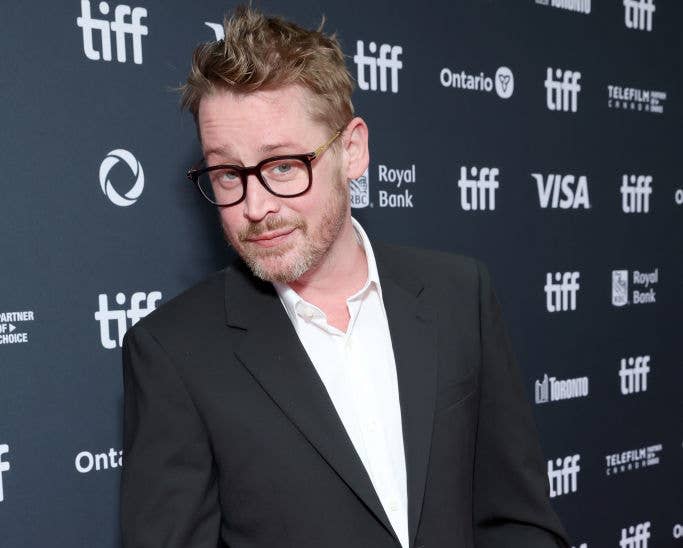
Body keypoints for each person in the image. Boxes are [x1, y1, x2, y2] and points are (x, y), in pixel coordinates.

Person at [120, 5, 571, 548]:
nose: (255, 206)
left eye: (283, 165)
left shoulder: (459, 294)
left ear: (352, 151)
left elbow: (517, 520)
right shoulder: (172, 352)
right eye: (226, 173)